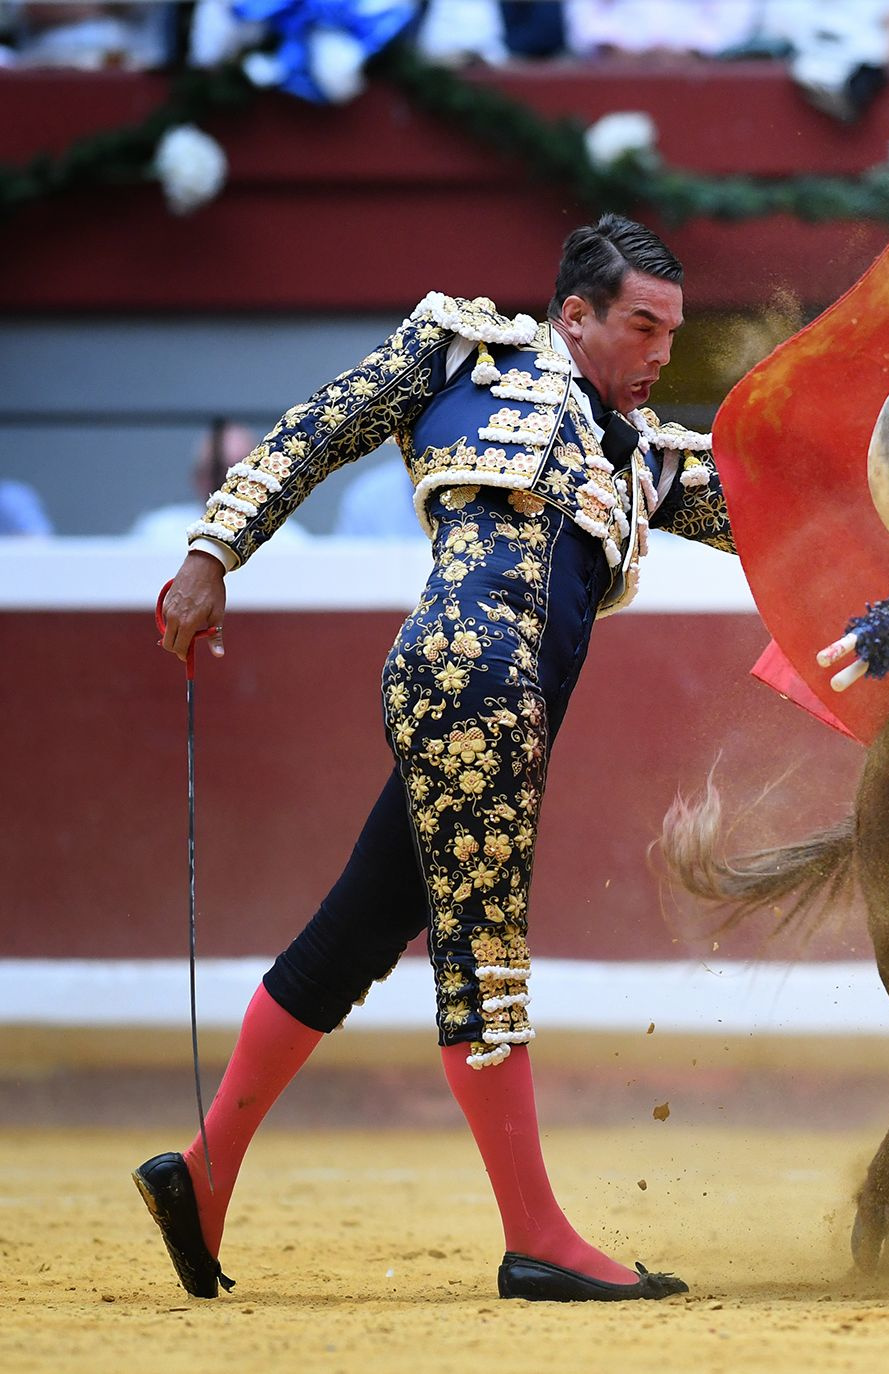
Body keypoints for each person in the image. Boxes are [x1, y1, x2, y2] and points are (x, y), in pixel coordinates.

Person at [142, 215, 734, 1305]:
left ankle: (202, 1174)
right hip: (472, 680)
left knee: (354, 934)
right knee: (483, 960)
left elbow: (782, 516)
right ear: (575, 315)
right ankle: (537, 1237)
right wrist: (210, 549)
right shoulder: (466, 354)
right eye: (641, 327)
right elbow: (318, 428)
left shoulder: (642, 460)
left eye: (673, 332)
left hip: (485, 700)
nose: (661, 353)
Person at [129, 420, 313, 545]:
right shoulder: (157, 533)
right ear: (196, 476)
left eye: (235, 472)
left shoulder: (289, 541)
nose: (225, 482)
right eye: (214, 470)